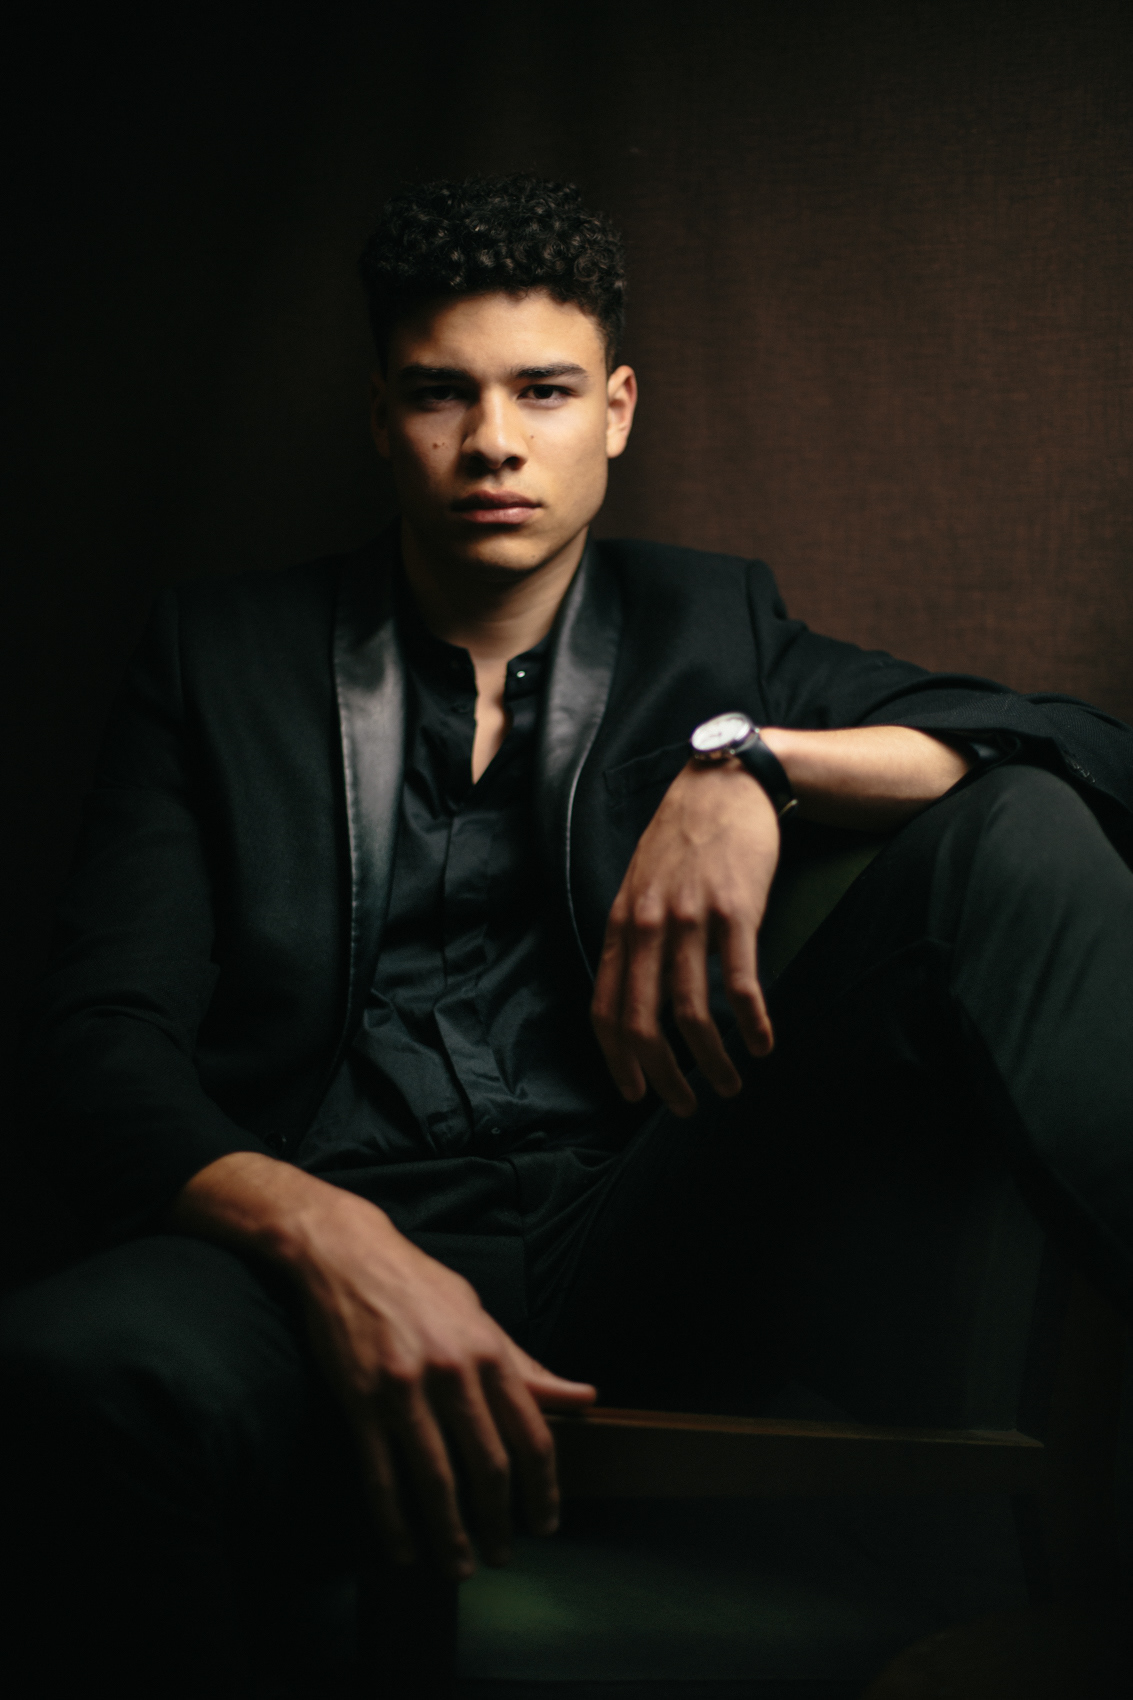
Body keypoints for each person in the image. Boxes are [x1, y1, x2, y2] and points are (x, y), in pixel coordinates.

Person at [2, 174, 1132, 1697]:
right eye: (439, 393)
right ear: (380, 416)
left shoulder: (712, 628)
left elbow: (1075, 747)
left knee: (1014, 826)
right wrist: (331, 1241)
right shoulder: (220, 660)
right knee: (68, 1370)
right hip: (310, 1257)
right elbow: (94, 1049)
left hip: (639, 1237)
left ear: (614, 410)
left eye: (540, 391)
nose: (492, 441)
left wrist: (750, 762)